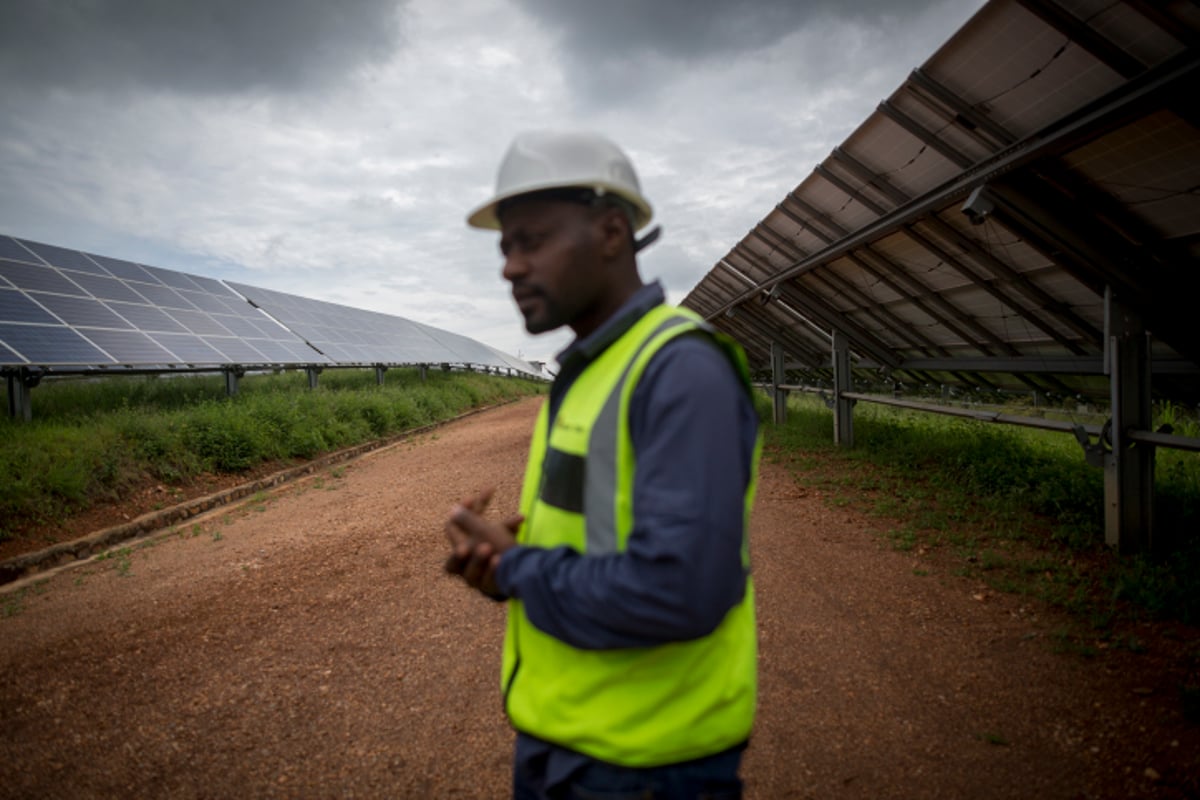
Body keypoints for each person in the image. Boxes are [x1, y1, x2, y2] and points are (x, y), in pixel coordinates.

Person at [445, 130, 761, 800]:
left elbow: (681, 589)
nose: (509, 268)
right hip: (568, 748)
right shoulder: (590, 372)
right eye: (505, 247)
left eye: (532, 240)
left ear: (612, 232)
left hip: (647, 764)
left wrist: (518, 566)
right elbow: (597, 536)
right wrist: (505, 566)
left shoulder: (679, 372)